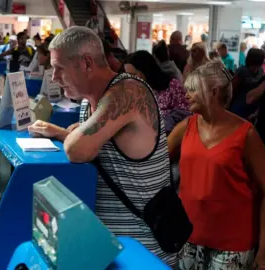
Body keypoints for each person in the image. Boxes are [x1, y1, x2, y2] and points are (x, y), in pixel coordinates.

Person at [27, 26, 177, 266]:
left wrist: (72, 135)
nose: (54, 77)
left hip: (141, 253)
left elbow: (77, 149)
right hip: (109, 246)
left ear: (87, 63)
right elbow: (89, 142)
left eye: (59, 68)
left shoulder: (127, 93)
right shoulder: (92, 100)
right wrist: (60, 132)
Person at [168, 61, 265, 270]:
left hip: (233, 244)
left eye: (192, 90)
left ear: (213, 92)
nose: (186, 95)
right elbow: (156, 162)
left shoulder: (246, 134)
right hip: (189, 238)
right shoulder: (186, 127)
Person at [124, 50, 189, 119]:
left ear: (145, 71)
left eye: (133, 75)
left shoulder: (172, 85)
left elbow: (184, 112)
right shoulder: (131, 90)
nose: (130, 79)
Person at [230, 48, 265, 120]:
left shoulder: (261, 71)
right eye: (263, 59)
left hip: (254, 107)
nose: (264, 61)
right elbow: (232, 89)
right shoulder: (242, 71)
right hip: (240, 106)